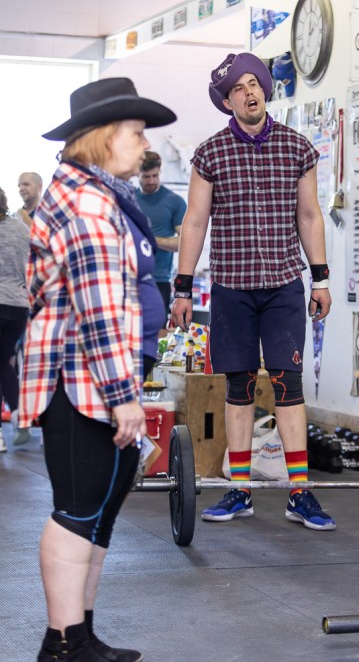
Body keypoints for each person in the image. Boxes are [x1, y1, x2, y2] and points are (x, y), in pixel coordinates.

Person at [18, 76, 176, 661]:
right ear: (107, 136)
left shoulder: (98, 193)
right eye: (137, 132)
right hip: (81, 383)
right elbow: (99, 309)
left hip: (93, 380)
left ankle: (79, 634)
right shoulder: (86, 204)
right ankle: (62, 644)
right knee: (79, 509)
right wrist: (123, 395)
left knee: (99, 507)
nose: (146, 144)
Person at [171, 52, 335, 531]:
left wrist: (321, 279)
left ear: (265, 88)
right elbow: (194, 222)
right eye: (238, 89)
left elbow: (310, 216)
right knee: (239, 386)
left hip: (283, 285)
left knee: (288, 384)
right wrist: (183, 288)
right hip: (232, 288)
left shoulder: (298, 148)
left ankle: (299, 492)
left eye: (253, 83)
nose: (248, 93)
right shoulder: (210, 154)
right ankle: (239, 489)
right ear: (228, 102)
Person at [136, 150, 186, 312]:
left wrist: (150, 240)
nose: (151, 181)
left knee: (158, 326)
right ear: (138, 173)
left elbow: (184, 243)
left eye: (155, 176)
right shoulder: (129, 200)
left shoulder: (174, 201)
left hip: (159, 279)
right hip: (130, 277)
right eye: (146, 176)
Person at [0, 186, 30, 452]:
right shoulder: (21, 228)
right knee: (3, 362)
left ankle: (17, 417)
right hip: (19, 306)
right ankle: (20, 415)